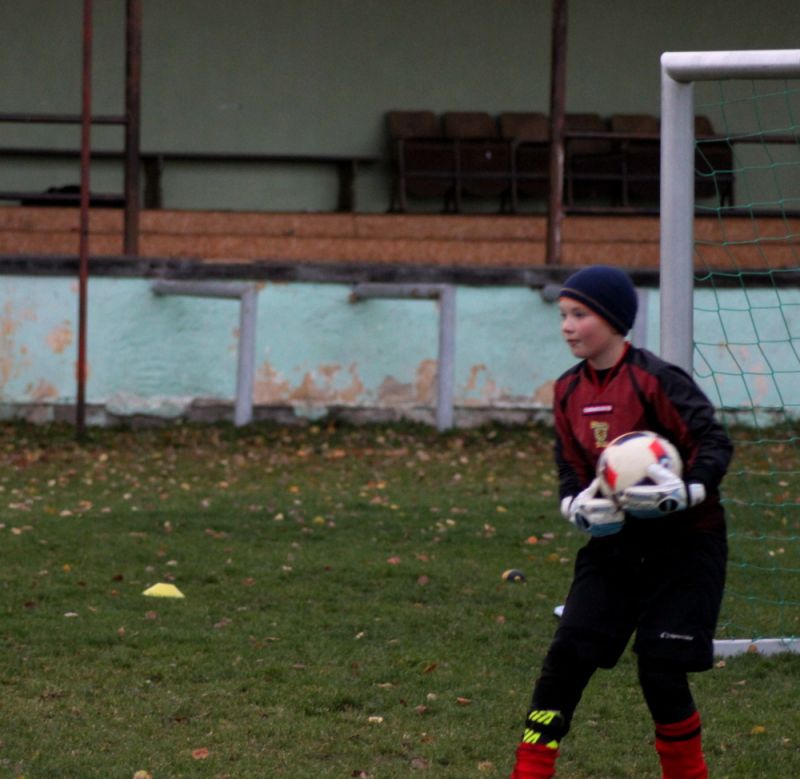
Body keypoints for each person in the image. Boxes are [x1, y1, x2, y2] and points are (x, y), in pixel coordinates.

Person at [510, 265, 733, 779]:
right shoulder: (567, 391)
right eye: (563, 315)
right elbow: (571, 466)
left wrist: (689, 490)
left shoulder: (657, 381)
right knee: (567, 656)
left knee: (660, 671)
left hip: (686, 550)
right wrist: (575, 505)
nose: (566, 325)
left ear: (612, 320)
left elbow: (714, 443)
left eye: (579, 314)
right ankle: (529, 770)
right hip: (614, 552)